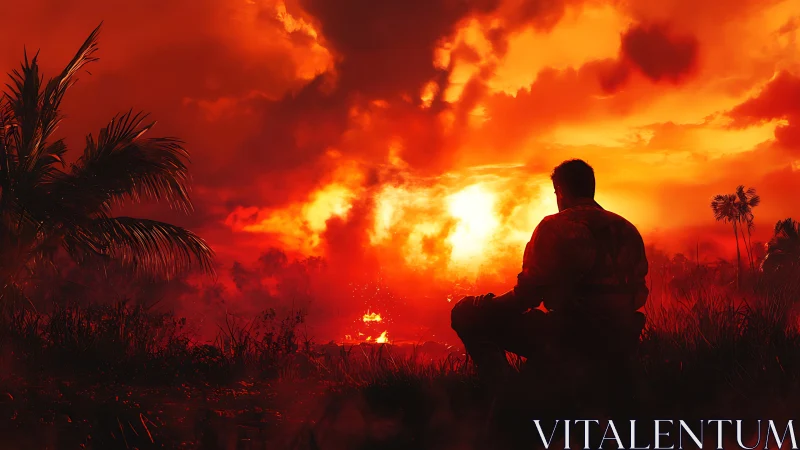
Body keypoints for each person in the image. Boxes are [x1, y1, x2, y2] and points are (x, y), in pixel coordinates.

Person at [451, 159, 649, 384]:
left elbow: (526, 297)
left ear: (561, 191)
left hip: (570, 337)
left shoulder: (555, 226)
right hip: (622, 337)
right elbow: (639, 292)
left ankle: (506, 392)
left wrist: (484, 305)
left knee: (465, 313)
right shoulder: (627, 229)